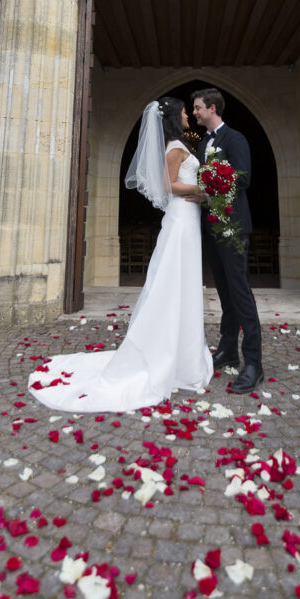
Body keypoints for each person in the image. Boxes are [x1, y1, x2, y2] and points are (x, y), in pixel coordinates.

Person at [28, 97, 213, 413]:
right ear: (173, 118)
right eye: (184, 112)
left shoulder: (179, 145)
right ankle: (168, 352)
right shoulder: (174, 149)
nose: (187, 116)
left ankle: (184, 351)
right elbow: (169, 186)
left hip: (187, 217)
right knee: (173, 280)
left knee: (182, 280)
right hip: (182, 218)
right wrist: (202, 191)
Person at [192, 87, 263, 393]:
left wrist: (213, 178)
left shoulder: (234, 139)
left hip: (233, 226)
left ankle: (254, 363)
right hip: (211, 227)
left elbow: (244, 178)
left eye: (197, 108)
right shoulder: (204, 142)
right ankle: (227, 349)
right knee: (224, 291)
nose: (194, 112)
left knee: (240, 292)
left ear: (212, 108)